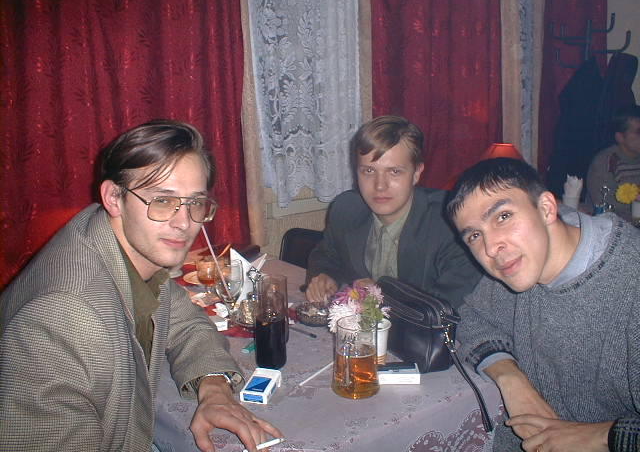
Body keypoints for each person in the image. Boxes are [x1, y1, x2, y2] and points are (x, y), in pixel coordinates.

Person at [0, 120, 281, 452]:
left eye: (195, 203)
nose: (184, 222)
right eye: (162, 200)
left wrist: (214, 390)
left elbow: (186, 322)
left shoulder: (120, 246)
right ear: (113, 198)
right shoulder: (67, 315)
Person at [446, 157, 639, 452]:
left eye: (503, 216)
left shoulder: (630, 279)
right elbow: (472, 319)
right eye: (474, 235)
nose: (491, 248)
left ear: (547, 208)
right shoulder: (519, 264)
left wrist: (604, 436)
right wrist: (510, 377)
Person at [306, 115, 481, 308]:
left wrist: (384, 295)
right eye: (369, 171)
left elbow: (450, 303)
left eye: (394, 171)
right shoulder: (346, 208)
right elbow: (326, 255)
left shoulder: (451, 223)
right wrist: (326, 276)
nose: (380, 186)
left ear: (416, 173)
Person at [586, 104, 640, 220]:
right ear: (620, 137)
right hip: (610, 224)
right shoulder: (605, 162)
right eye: (638, 132)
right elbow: (603, 205)